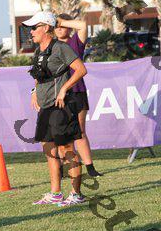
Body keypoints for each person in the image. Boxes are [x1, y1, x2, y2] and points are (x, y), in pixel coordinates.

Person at [24, 11, 86, 207]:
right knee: (49, 150)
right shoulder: (38, 51)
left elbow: (81, 69)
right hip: (45, 107)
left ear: (46, 28)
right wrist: (34, 91)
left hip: (61, 105)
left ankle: (76, 194)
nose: (31, 31)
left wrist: (64, 89)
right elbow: (39, 75)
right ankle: (56, 193)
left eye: (34, 27)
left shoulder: (61, 47)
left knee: (66, 149)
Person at [55, 13, 102, 177]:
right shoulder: (51, 46)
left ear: (69, 27)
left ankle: (90, 168)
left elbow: (82, 25)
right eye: (56, 26)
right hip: (58, 94)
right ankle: (62, 169)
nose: (59, 29)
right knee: (61, 134)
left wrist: (61, 21)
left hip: (77, 91)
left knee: (80, 131)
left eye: (62, 26)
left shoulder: (75, 42)